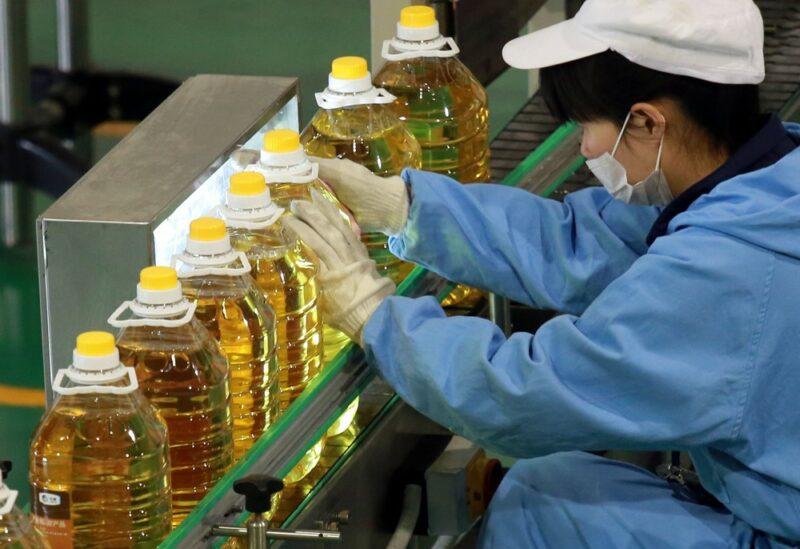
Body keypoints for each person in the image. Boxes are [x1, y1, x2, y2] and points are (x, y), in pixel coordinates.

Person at [283, 0, 800, 546]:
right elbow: (580, 244)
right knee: (547, 491)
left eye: (588, 126)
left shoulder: (728, 274)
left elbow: (528, 397)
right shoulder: (765, 184)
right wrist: (403, 208)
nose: (584, 149)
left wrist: (372, 315)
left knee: (544, 509)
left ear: (647, 121)